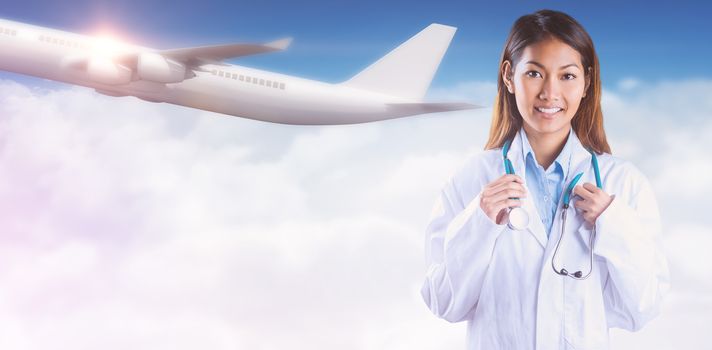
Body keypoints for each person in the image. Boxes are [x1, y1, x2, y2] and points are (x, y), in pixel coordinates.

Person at [420, 9, 670, 350]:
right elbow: (444, 302)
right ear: (509, 76)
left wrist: (614, 224)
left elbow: (643, 307)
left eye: (567, 76)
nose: (550, 93)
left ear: (587, 82)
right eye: (535, 73)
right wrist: (478, 222)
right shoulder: (472, 180)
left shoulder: (623, 184)